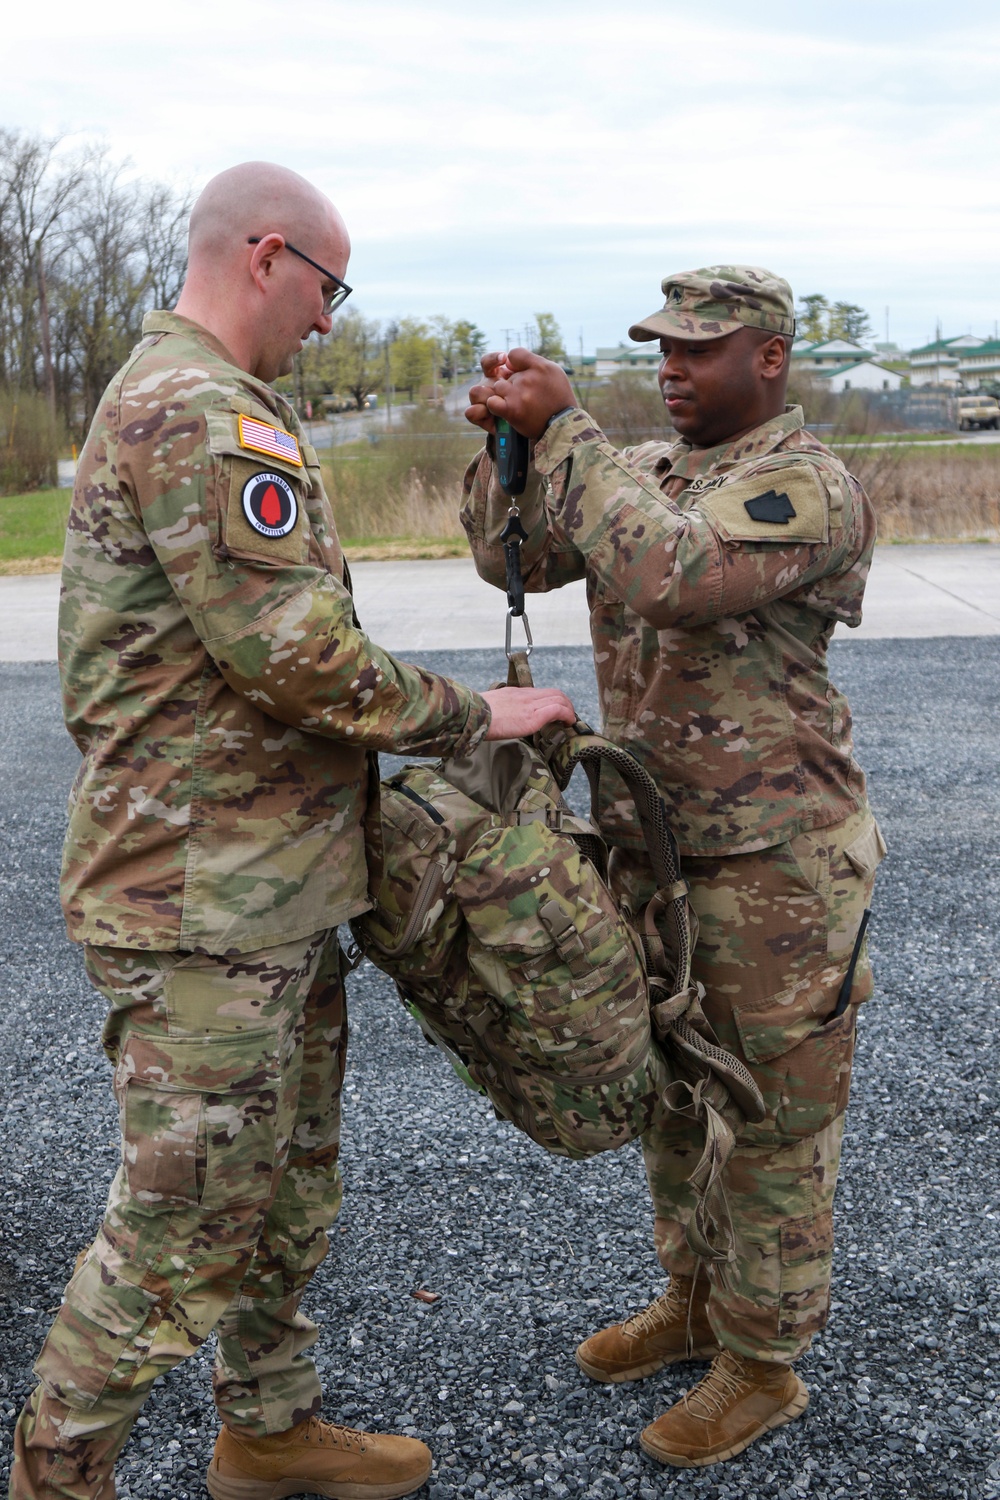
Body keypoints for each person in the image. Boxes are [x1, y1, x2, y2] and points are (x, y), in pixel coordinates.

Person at [11, 161, 575, 1500]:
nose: (329, 318)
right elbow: (298, 660)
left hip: (272, 890)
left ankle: (267, 1431)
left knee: (284, 1187)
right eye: (329, 288)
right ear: (267, 256)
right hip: (200, 903)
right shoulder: (200, 412)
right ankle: (55, 1479)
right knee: (179, 1225)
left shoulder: (223, 400)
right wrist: (478, 717)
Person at [462, 266, 886, 1469]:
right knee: (672, 1095)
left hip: (775, 864)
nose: (671, 369)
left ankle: (762, 1362)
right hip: (651, 845)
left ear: (770, 358)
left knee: (772, 1116)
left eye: (698, 349)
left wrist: (568, 428)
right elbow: (506, 559)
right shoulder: (646, 470)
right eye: (661, 348)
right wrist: (508, 449)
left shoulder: (804, 485)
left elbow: (673, 576)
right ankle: (693, 1299)